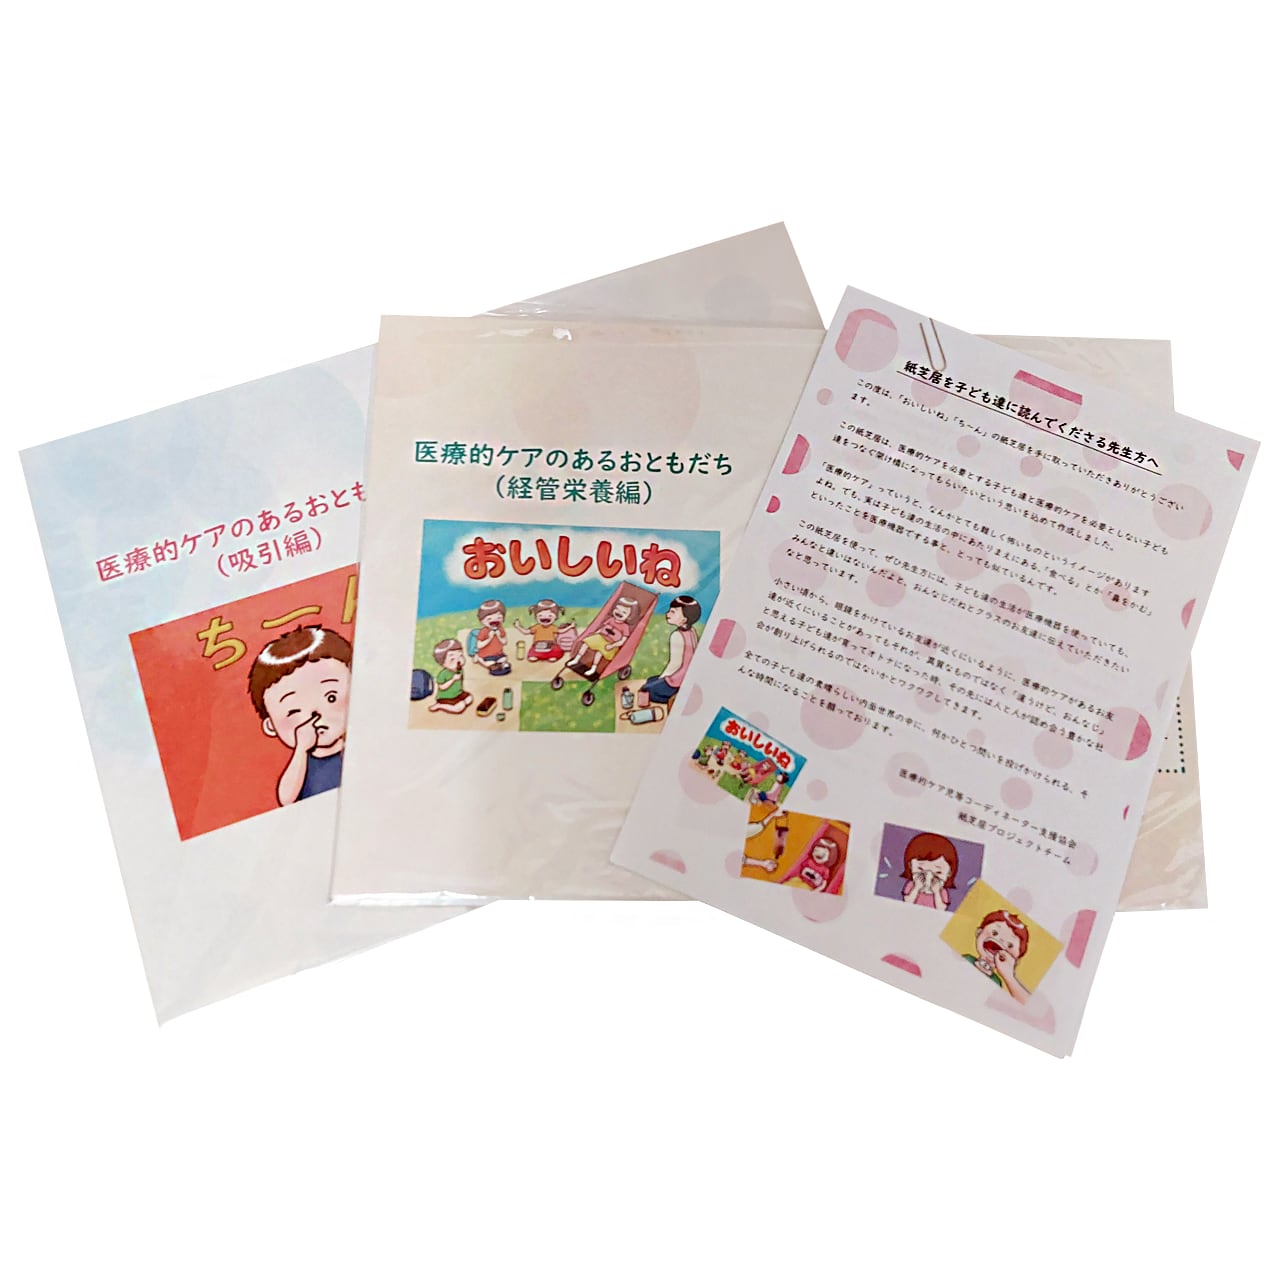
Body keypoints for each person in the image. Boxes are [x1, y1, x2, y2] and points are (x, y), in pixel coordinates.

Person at [248, 625, 351, 806]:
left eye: (331, 697)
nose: (316, 715)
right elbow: (286, 798)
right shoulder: (301, 763)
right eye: (294, 711)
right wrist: (301, 749)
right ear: (270, 725)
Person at [640, 594, 700, 707]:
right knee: (650, 680)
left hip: (677, 679)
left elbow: (675, 664)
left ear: (684, 619)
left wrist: (662, 678)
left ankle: (675, 698)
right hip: (687, 675)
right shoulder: (692, 631)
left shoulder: (677, 635)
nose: (667, 614)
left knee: (648, 690)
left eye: (673, 612)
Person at [963, 909, 1032, 1004]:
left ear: (1015, 962)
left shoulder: (996, 982)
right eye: (994, 933)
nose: (1000, 941)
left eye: (1010, 945)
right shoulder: (967, 959)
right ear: (979, 932)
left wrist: (1009, 975)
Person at [569, 595, 639, 678]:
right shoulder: (611, 620)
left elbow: (622, 641)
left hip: (611, 643)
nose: (619, 613)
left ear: (630, 616)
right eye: (617, 609)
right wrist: (595, 634)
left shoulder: (625, 627)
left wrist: (612, 646)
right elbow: (603, 628)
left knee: (600, 652)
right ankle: (576, 659)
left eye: (624, 612)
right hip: (601, 637)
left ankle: (593, 668)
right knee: (586, 643)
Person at [899, 831, 960, 910]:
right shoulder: (912, 885)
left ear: (949, 873)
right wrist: (916, 888)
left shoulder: (942, 891)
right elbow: (907, 902)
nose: (929, 876)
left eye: (938, 872)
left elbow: (941, 909)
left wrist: (936, 892)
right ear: (910, 865)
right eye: (920, 869)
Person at [514, 598, 566, 662]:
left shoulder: (553, 627)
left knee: (555, 650)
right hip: (537, 646)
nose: (545, 618)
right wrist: (518, 627)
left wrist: (570, 627)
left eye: (550, 616)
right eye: (540, 615)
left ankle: (552, 656)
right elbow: (526, 632)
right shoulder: (536, 627)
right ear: (536, 617)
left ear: (555, 617)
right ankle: (536, 656)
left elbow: (560, 631)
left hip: (551, 645)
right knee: (534, 651)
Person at [429, 638, 473, 715]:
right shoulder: (443, 674)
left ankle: (457, 702)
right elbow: (442, 687)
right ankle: (440, 705)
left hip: (458, 693)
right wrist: (453, 679)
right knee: (460, 707)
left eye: (460, 656)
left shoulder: (460, 670)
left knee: (469, 698)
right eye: (452, 659)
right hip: (446, 697)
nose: (458, 661)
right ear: (443, 663)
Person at [475, 599, 511, 676]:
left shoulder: (500, 629)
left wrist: (499, 636)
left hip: (498, 654)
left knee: (504, 659)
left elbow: (504, 642)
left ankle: (497, 663)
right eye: (489, 619)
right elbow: (479, 645)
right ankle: (479, 658)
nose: (494, 621)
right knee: (490, 664)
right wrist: (489, 638)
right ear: (482, 621)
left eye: (499, 618)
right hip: (486, 655)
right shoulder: (484, 631)